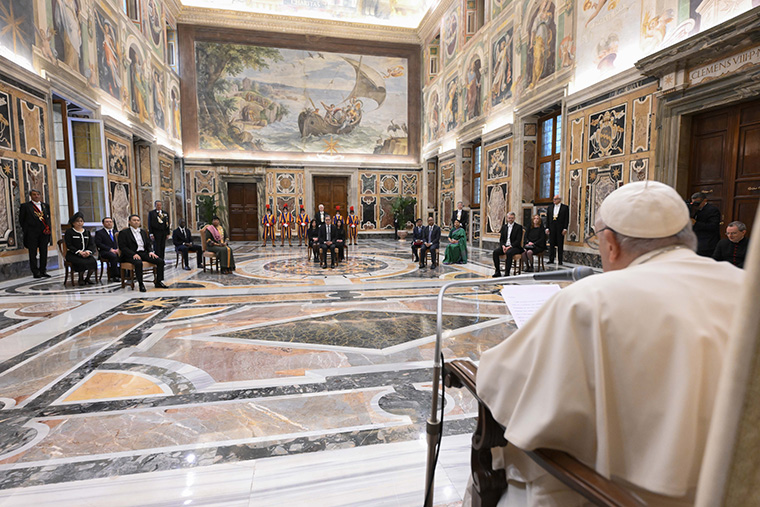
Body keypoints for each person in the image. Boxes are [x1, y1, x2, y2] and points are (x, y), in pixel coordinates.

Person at [475, 181, 745, 506]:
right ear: (687, 239)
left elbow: (501, 384)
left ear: (611, 244)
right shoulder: (746, 287)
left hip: (610, 495)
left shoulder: (589, 299)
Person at [118, 214, 168, 292]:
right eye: (134, 220)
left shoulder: (143, 232)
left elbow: (148, 244)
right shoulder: (124, 233)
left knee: (160, 261)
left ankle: (158, 281)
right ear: (129, 222)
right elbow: (123, 247)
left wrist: (150, 251)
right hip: (129, 255)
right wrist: (133, 254)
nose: (136, 222)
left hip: (142, 253)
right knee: (138, 263)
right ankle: (141, 284)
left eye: (138, 220)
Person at [19, 189, 52, 278]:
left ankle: (43, 270)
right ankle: (35, 271)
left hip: (44, 233)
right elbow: (22, 220)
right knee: (33, 253)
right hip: (32, 233)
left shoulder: (45, 206)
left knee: (44, 252)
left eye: (38, 194)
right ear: (31, 196)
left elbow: (47, 218)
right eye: (34, 194)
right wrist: (28, 230)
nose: (36, 196)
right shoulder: (26, 206)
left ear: (40, 195)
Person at [64, 212, 97, 285]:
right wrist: (79, 252)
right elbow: (69, 245)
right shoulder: (69, 232)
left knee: (93, 262)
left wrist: (88, 251)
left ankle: (87, 278)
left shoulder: (87, 232)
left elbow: (91, 244)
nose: (79, 223)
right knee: (81, 262)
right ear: (73, 223)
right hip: (73, 254)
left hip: (85, 253)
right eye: (77, 221)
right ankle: (80, 278)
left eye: (81, 221)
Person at [492, 212, 524, 277]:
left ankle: (507, 273)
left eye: (512, 218)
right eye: (509, 218)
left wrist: (509, 247)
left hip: (515, 247)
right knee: (495, 252)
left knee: (509, 253)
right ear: (507, 218)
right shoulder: (504, 227)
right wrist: (503, 246)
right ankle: (497, 271)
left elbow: (518, 240)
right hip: (505, 246)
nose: (510, 219)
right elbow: (501, 239)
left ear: (514, 218)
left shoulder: (518, 227)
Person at [690, 192, 721, 257]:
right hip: (696, 242)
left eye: (697, 203)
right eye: (693, 203)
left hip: (707, 244)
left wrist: (696, 223)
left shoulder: (712, 210)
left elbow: (713, 226)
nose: (695, 205)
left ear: (705, 201)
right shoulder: (694, 210)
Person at [545, 194, 569, 264]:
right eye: (553, 199)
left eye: (555, 199)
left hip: (560, 228)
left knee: (560, 244)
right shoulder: (550, 207)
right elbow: (548, 218)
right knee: (551, 243)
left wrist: (565, 228)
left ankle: (560, 260)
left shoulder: (565, 208)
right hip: (552, 227)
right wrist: (547, 227)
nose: (554, 200)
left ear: (559, 200)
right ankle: (551, 259)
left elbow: (566, 219)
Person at [94, 217, 120, 281]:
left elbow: (120, 242)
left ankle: (125, 274)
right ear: (103, 223)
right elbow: (99, 244)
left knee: (125, 254)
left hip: (116, 250)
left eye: (110, 222)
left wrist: (118, 249)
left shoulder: (116, 232)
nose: (109, 223)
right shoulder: (99, 233)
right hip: (105, 251)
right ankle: (115, 275)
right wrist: (110, 249)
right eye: (107, 222)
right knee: (113, 256)